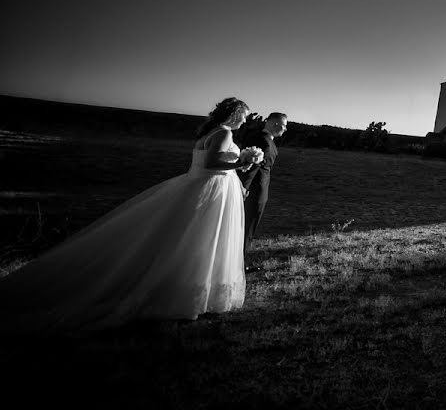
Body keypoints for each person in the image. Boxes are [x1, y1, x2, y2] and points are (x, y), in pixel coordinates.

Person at [0, 97, 259, 336]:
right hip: (210, 190)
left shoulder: (210, 132)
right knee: (202, 240)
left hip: (199, 186)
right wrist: (241, 163)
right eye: (244, 116)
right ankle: (186, 293)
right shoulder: (224, 133)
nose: (245, 121)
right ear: (234, 114)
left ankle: (187, 287)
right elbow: (212, 163)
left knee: (188, 238)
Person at [239, 111, 287, 257]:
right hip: (255, 191)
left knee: (242, 226)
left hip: (252, 188)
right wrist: (244, 188)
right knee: (248, 228)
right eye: (284, 125)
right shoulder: (265, 142)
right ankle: (240, 264)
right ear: (275, 124)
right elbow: (251, 168)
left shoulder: (256, 136)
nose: (285, 129)